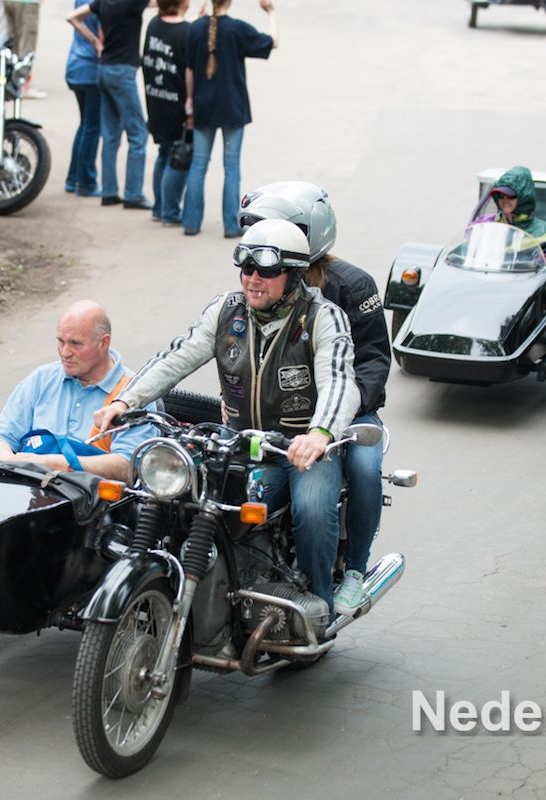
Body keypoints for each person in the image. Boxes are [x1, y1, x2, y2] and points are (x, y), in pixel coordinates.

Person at [93, 219, 359, 619]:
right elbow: (177, 356)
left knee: (312, 509)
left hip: (300, 449)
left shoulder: (322, 317)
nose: (253, 279)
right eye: (247, 269)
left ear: (293, 274)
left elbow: (339, 380)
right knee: (179, 494)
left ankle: (319, 606)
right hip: (240, 443)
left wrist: (319, 434)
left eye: (267, 271)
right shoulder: (226, 310)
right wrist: (124, 401)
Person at [236, 181, 390, 616]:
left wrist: (335, 414)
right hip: (281, 420)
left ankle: (355, 570)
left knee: (364, 468)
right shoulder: (265, 278)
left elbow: (375, 360)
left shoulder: (354, 285)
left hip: (350, 414)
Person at [0, 300, 159, 481]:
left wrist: (49, 463)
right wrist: (11, 463)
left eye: (76, 344)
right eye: (61, 341)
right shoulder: (41, 379)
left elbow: (128, 466)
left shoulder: (132, 395)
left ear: (104, 343)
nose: (65, 352)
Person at [181, 0, 277, 237]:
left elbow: (189, 70)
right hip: (232, 107)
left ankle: (191, 223)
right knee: (231, 166)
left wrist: (189, 101)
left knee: (198, 164)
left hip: (203, 105)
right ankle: (231, 225)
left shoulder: (196, 28)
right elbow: (272, 42)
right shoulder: (237, 29)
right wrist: (271, 12)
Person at [67, 0, 156, 210]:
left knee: (110, 134)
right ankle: (133, 193)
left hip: (104, 69)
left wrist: (95, 42)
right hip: (122, 71)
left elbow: (73, 18)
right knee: (138, 134)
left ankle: (109, 191)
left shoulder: (103, 1)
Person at [143, 0, 191, 224]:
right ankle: (170, 211)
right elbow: (190, 72)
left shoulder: (155, 24)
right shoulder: (185, 32)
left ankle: (159, 207)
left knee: (164, 153)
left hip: (156, 98)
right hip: (176, 104)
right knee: (178, 156)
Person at [472, 166, 546, 263]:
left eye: (510, 196)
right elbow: (466, 254)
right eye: (500, 195)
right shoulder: (482, 225)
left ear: (523, 198)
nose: (505, 200)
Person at [64, 0, 103, 195]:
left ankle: (74, 178)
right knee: (92, 127)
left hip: (76, 66)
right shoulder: (102, 4)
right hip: (91, 69)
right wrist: (95, 41)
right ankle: (86, 181)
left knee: (86, 125)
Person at [3, 0, 47, 98]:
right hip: (27, 3)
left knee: (13, 41)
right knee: (27, 42)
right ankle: (22, 85)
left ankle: (10, 83)